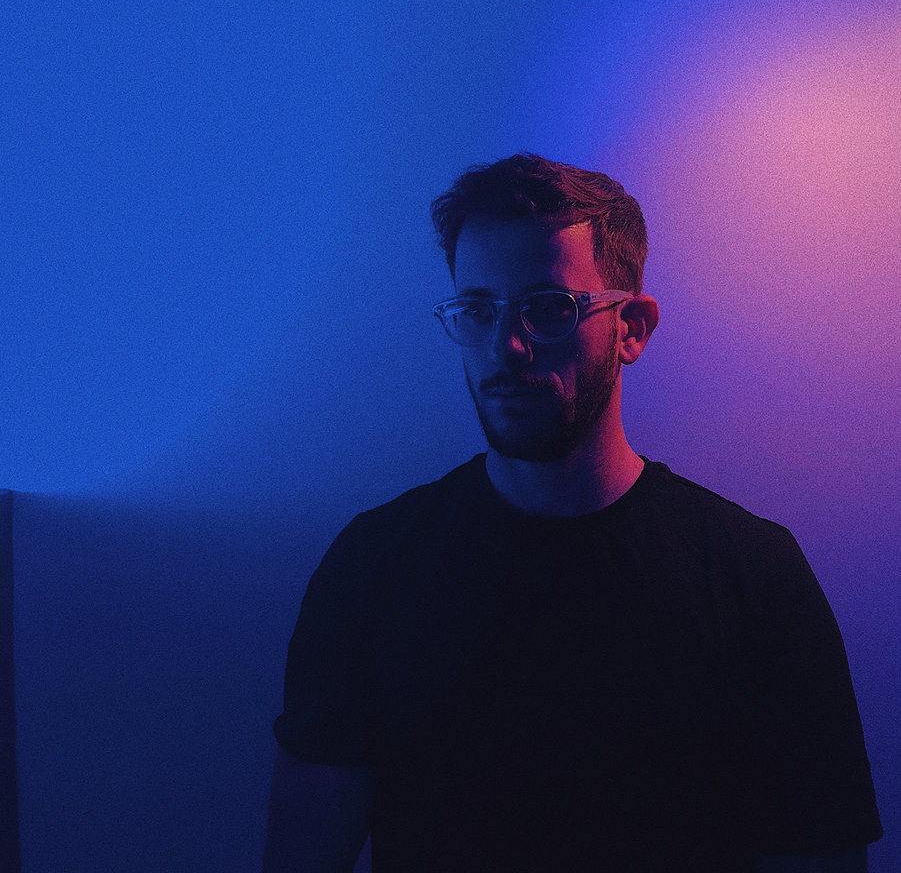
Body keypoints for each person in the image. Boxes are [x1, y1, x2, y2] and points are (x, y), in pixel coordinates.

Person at [264, 154, 882, 872]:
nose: (506, 346)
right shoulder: (374, 565)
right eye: (477, 310)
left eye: (550, 307)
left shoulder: (753, 578)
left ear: (631, 328)